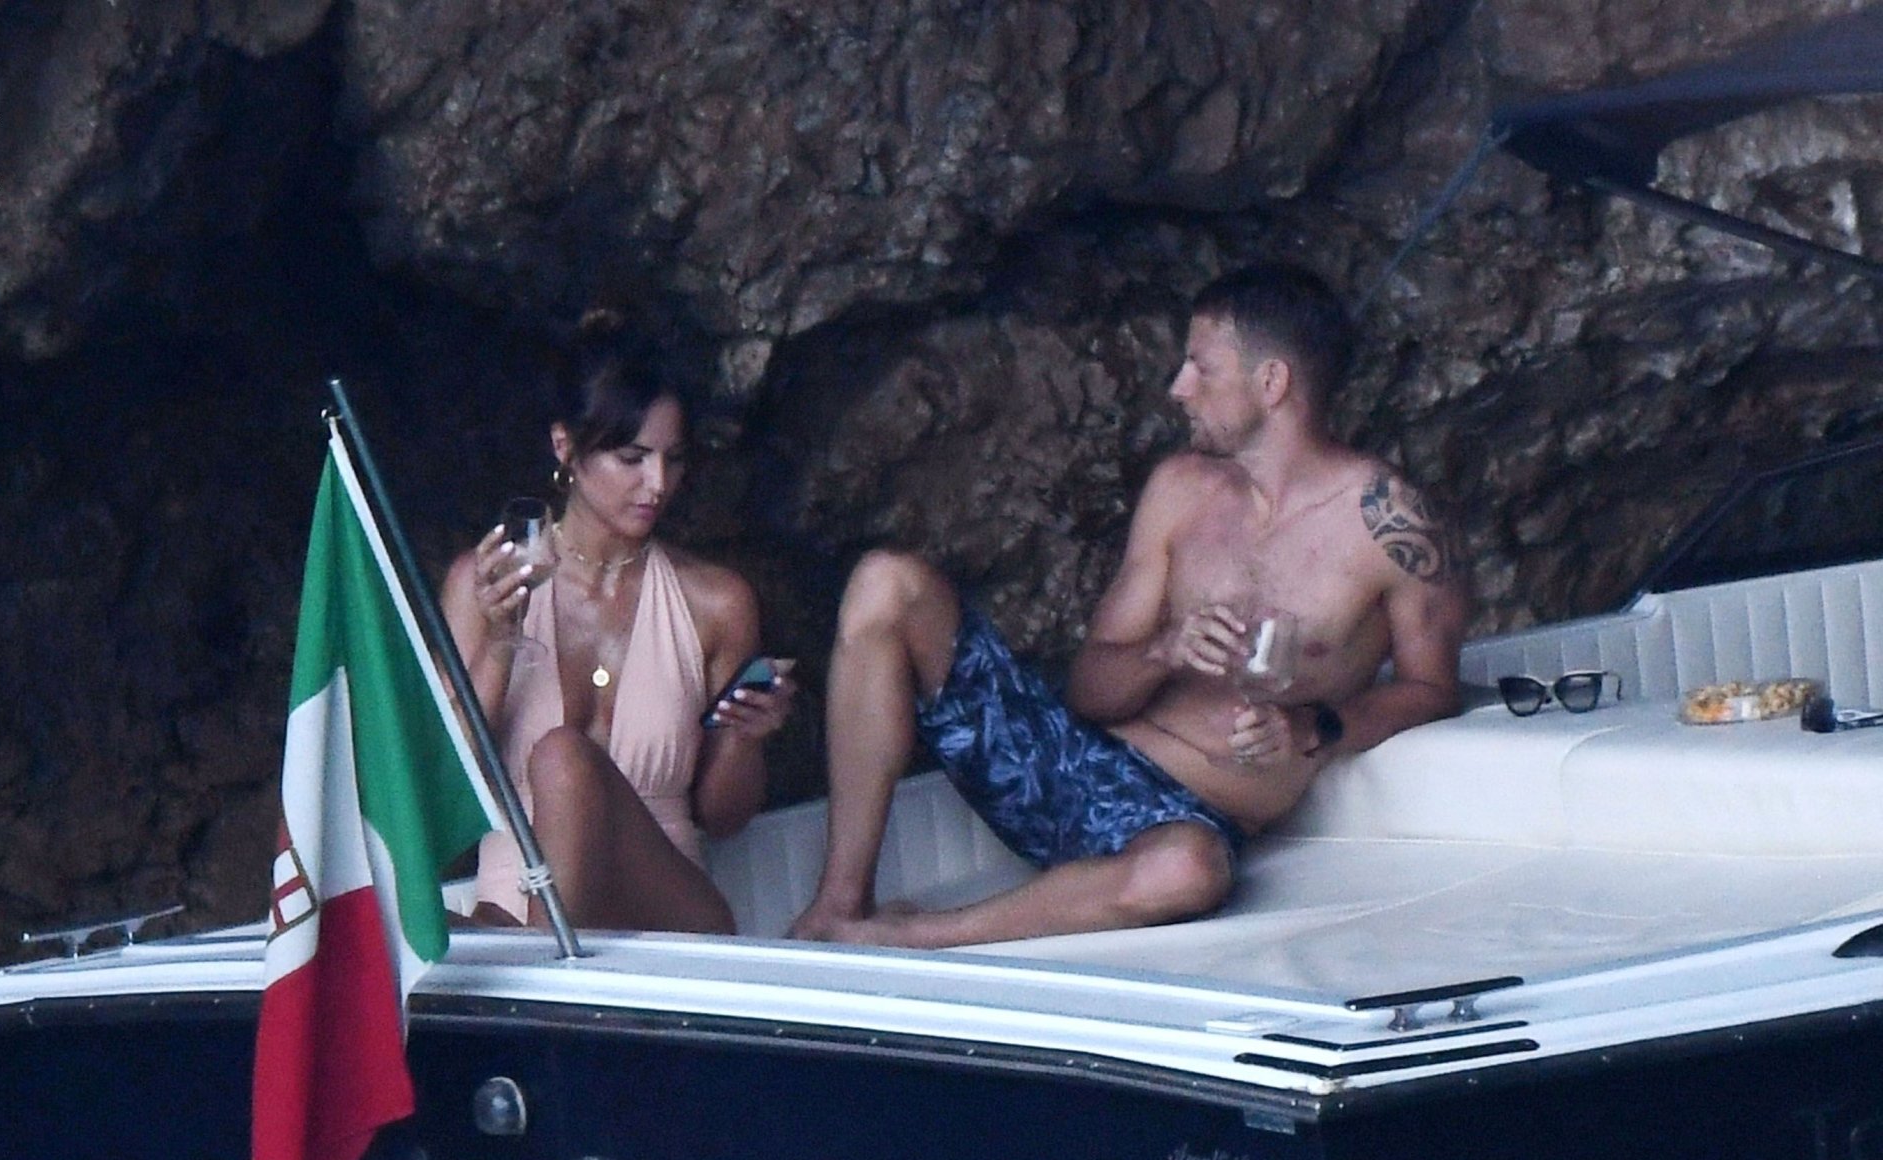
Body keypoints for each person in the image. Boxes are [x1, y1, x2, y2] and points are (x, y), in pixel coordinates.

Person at [790, 263, 1468, 948]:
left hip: (1182, 816)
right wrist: (1164, 651)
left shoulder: (1391, 527)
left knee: (1187, 872)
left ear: (1271, 383)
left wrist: (1313, 727)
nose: (1178, 389)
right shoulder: (1180, 489)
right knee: (887, 581)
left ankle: (909, 938)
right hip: (1062, 762)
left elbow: (1431, 689)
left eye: (1201, 368)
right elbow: (1090, 695)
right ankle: (838, 904)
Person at [442, 337, 796, 931]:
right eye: (633, 458)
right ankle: (546, 955)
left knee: (563, 757)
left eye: (673, 459)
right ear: (565, 447)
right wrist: (501, 644)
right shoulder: (484, 586)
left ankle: (543, 966)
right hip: (516, 904)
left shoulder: (717, 602)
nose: (658, 484)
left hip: (663, 918)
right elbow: (444, 789)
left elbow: (723, 818)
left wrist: (747, 736)